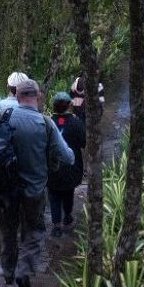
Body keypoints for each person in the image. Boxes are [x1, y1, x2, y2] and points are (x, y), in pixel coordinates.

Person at [0, 78, 74, 287]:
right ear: (38, 96)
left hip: (5, 191)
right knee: (34, 231)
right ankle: (24, 270)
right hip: (34, 190)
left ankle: (8, 271)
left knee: (8, 231)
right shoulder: (46, 123)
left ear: (17, 95)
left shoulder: (2, 118)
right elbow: (67, 157)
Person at [46, 92, 85, 237]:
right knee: (68, 193)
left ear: (53, 106)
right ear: (69, 105)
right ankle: (67, 217)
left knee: (53, 194)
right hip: (71, 166)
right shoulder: (76, 122)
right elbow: (83, 142)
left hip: (52, 167)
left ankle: (56, 225)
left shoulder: (47, 122)